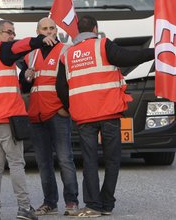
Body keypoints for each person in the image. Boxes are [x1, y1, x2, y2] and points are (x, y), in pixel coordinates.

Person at [56, 15, 154, 217]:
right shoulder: (103, 45)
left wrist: (72, 106)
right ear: (95, 29)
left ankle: (92, 204)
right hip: (109, 112)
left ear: (77, 32)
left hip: (84, 116)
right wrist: (157, 52)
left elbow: (60, 88)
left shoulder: (67, 55)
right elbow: (129, 57)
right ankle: (107, 204)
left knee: (90, 160)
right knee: (112, 159)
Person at [0, 19, 55, 220]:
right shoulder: (1, 50)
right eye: (9, 32)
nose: (12, 36)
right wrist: (40, 40)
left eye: (13, 32)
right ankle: (24, 208)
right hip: (7, 116)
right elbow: (22, 45)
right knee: (17, 163)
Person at [19, 18, 79, 216]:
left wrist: (67, 108)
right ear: (37, 31)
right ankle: (50, 202)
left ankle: (71, 202)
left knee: (65, 159)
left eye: (52, 28)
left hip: (57, 112)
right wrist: (26, 76)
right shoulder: (31, 55)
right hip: (36, 114)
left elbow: (73, 82)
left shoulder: (65, 50)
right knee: (43, 162)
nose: (49, 31)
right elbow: (26, 86)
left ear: (57, 30)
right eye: (44, 29)